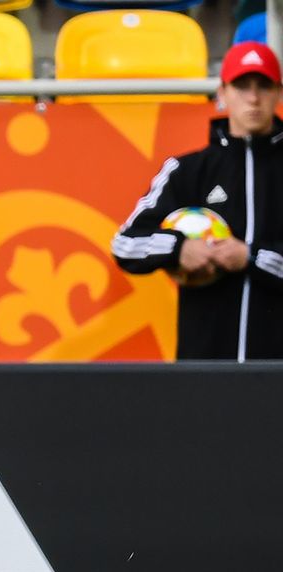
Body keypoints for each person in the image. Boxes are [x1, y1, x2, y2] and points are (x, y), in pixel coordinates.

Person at [113, 41, 283, 361]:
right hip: (205, 370)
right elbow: (124, 245)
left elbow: (252, 257)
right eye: (242, 86)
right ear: (222, 93)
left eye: (264, 86)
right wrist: (179, 249)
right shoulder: (187, 171)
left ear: (279, 93)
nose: (253, 97)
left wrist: (251, 257)